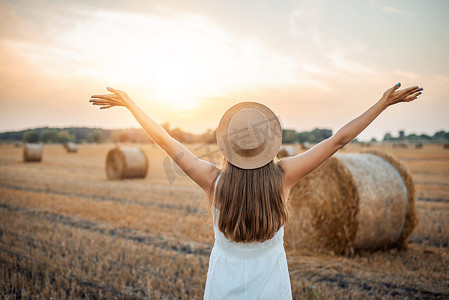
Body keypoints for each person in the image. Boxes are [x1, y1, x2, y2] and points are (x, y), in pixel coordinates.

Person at [90, 83, 422, 299]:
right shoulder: (283, 177)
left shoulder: (211, 180)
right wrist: (382, 104)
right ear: (268, 146)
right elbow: (338, 140)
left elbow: (165, 140)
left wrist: (131, 104)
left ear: (227, 148)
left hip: (223, 282)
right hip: (270, 285)